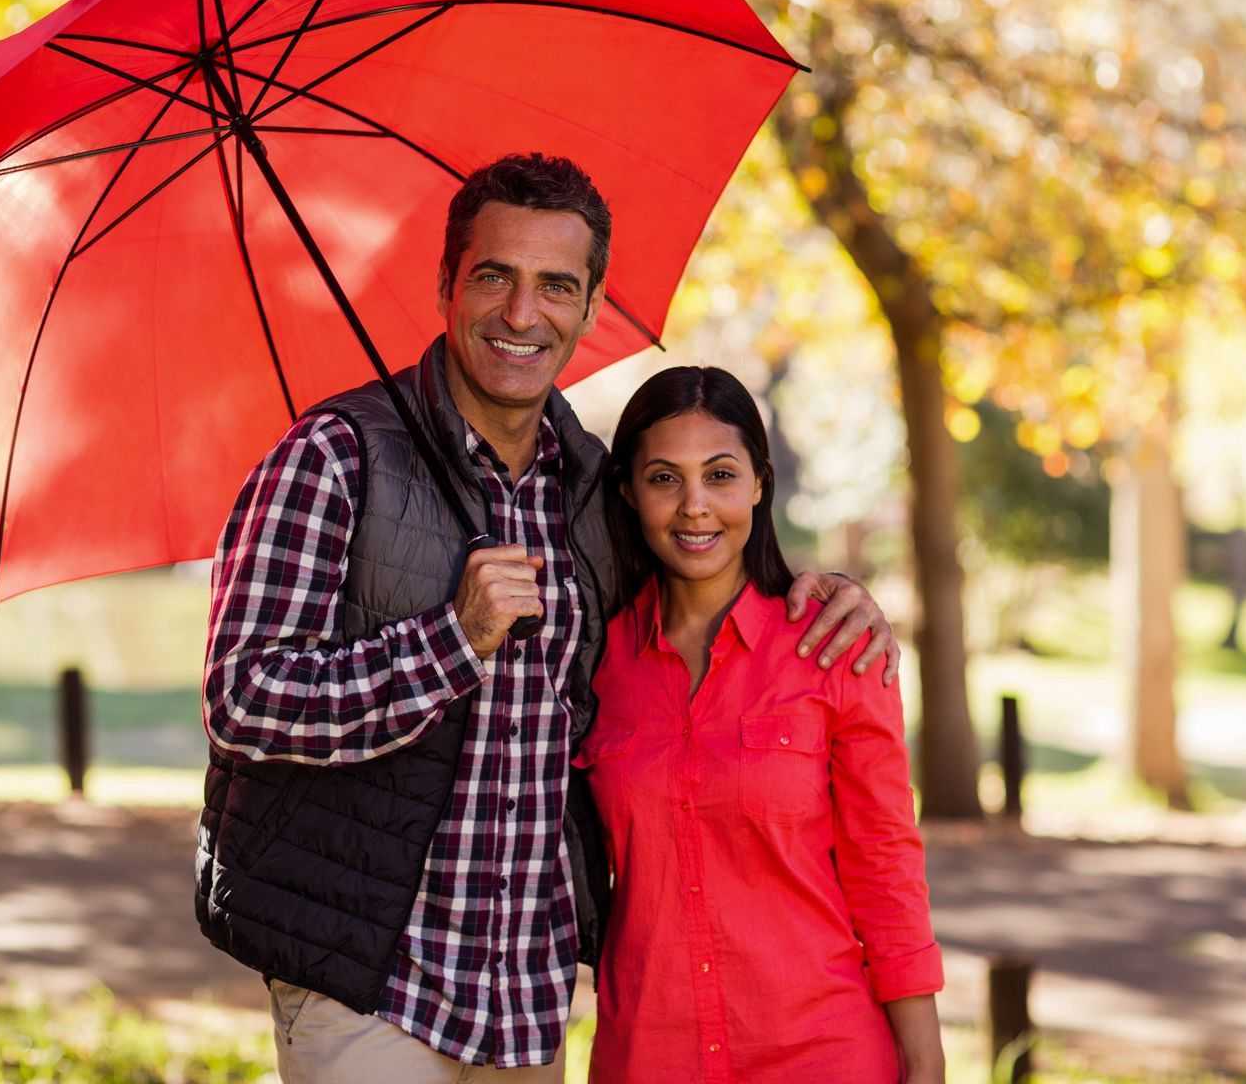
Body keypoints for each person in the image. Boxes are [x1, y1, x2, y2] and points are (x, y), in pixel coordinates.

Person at [197, 153, 902, 1082]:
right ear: (448, 284)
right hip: (371, 979)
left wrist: (815, 590)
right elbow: (244, 697)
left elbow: (695, 585)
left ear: (592, 304)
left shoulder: (591, 487)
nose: (522, 314)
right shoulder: (334, 458)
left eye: (555, 286)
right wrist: (452, 640)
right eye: (494, 276)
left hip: (527, 991)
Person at [582, 366, 943, 1083]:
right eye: (663, 479)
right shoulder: (593, 659)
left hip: (821, 1050)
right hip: (651, 1056)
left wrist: (926, 1062)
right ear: (627, 491)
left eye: (720, 474)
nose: (695, 508)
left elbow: (885, 869)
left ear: (759, 483)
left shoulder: (836, 647)